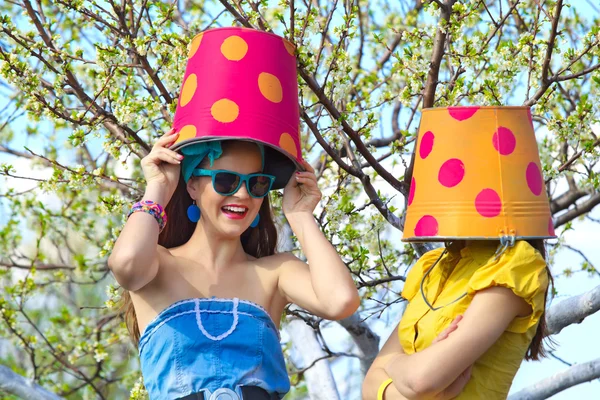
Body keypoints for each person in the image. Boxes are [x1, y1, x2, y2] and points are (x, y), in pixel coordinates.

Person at [108, 27, 359, 400]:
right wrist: (158, 189)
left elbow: (340, 301)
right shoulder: (157, 266)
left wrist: (302, 216)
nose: (242, 193)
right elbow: (125, 265)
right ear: (192, 184)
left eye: (257, 183)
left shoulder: (275, 273)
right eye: (225, 180)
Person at [362, 106, 555, 400]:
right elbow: (370, 386)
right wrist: (410, 377)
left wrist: (397, 367)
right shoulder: (436, 265)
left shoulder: (514, 267)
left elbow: (420, 380)